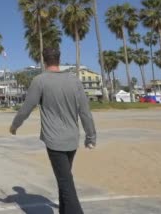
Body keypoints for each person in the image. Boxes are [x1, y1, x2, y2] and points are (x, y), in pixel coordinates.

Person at [10, 47, 96, 214]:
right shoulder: (74, 80)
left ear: (44, 60)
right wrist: (91, 136)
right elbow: (85, 111)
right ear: (59, 59)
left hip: (54, 141)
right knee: (64, 180)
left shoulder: (40, 80)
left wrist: (15, 126)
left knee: (65, 183)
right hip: (72, 140)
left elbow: (26, 108)